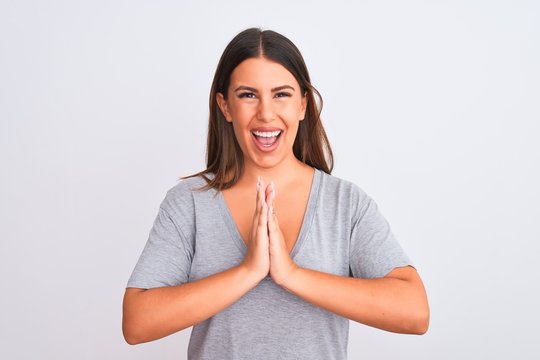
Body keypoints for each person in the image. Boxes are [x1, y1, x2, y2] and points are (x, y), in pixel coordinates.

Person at [122, 27, 429, 359]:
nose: (266, 113)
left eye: (281, 94)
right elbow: (137, 323)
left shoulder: (345, 204)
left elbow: (414, 312)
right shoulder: (188, 203)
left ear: (303, 104)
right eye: (248, 95)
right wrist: (248, 271)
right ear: (225, 106)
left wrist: (291, 274)